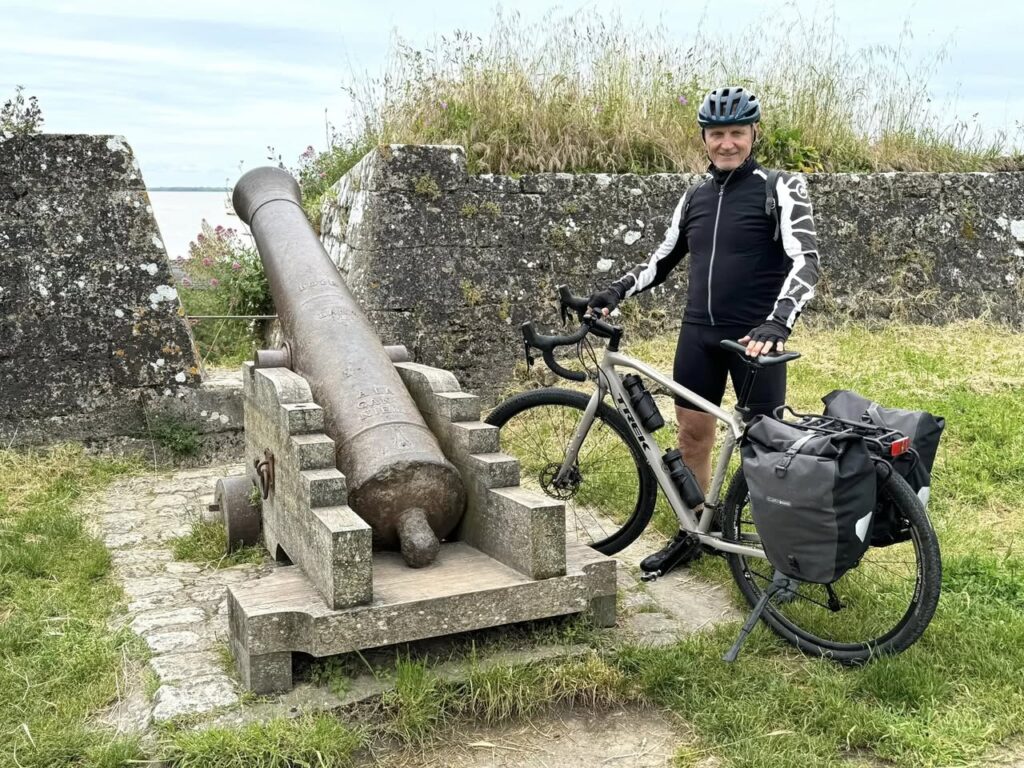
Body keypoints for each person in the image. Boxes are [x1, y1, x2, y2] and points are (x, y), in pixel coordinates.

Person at [587, 85, 821, 576]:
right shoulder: (695, 195)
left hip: (755, 337)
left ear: (755, 133)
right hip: (698, 334)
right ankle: (696, 532)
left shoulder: (781, 187)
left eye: (737, 133)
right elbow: (662, 258)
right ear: (705, 138)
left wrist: (779, 322)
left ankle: (780, 550)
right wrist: (617, 289)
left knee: (766, 448)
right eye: (718, 134)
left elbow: (807, 263)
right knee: (693, 437)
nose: (727, 143)